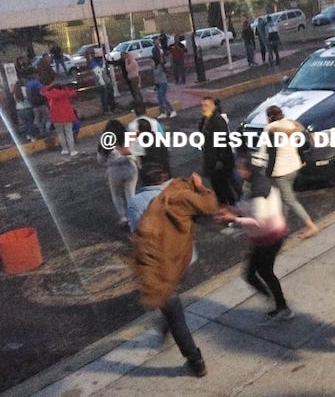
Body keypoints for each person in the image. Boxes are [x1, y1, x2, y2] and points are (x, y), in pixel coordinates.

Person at [128, 171, 219, 378]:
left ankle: (196, 362)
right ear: (164, 179)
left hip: (160, 269)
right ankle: (165, 325)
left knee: (175, 316)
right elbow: (207, 206)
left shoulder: (136, 202)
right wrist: (199, 185)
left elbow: (137, 233)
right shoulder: (180, 196)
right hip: (184, 260)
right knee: (171, 306)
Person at [214, 153, 293, 323]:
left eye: (239, 168)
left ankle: (280, 305)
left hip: (271, 237)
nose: (236, 171)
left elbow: (259, 221)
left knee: (259, 272)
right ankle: (278, 303)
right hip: (263, 239)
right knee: (256, 273)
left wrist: (234, 219)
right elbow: (246, 205)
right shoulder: (251, 184)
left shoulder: (259, 190)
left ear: (246, 170)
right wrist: (233, 209)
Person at [261, 105, 319, 239]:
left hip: (281, 170)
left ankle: (310, 225)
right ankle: (282, 227)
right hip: (294, 167)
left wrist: (268, 172)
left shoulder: (270, 129)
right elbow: (298, 143)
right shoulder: (291, 124)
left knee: (289, 199)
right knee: (284, 198)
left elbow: (270, 153)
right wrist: (302, 158)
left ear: (269, 117)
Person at [97, 119, 139, 228]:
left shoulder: (105, 142)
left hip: (114, 171)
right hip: (130, 167)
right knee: (130, 193)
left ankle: (123, 217)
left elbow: (100, 160)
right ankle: (133, 216)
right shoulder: (128, 137)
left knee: (116, 194)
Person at [198, 96, 236, 205]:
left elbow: (222, 141)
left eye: (206, 105)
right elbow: (201, 130)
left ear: (213, 106)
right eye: (202, 105)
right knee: (218, 186)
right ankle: (224, 206)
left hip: (219, 161)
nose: (203, 108)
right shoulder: (208, 118)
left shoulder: (218, 120)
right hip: (212, 160)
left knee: (224, 187)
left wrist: (219, 160)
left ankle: (231, 207)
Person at [40, 78, 78, 156]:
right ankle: (72, 150)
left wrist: (48, 87)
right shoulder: (64, 93)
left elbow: (42, 92)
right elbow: (74, 93)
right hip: (67, 116)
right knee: (69, 133)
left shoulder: (50, 94)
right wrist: (65, 87)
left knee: (60, 134)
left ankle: (65, 149)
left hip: (56, 118)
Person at [25, 73, 50, 138]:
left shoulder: (27, 85)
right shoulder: (37, 83)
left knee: (38, 119)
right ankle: (46, 129)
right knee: (47, 117)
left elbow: (28, 96)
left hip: (34, 105)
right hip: (42, 104)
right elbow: (44, 91)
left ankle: (41, 131)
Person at [13, 77, 37, 142]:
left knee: (25, 123)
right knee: (30, 123)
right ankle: (32, 136)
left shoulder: (15, 92)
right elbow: (29, 97)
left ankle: (28, 135)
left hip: (19, 110)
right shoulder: (25, 89)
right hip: (27, 108)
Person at [153, 53, 175, 119]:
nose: (150, 63)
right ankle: (163, 113)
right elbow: (155, 77)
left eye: (151, 61)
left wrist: (153, 67)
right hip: (158, 84)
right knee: (159, 99)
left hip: (163, 83)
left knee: (163, 98)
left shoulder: (159, 66)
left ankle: (172, 111)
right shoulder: (155, 67)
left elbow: (156, 73)